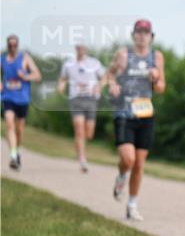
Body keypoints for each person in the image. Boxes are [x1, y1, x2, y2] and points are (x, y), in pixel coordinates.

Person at [106, 20, 166, 221]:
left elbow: (160, 88)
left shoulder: (156, 57)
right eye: (139, 32)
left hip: (145, 114)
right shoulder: (123, 54)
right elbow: (110, 74)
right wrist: (112, 85)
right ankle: (122, 177)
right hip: (124, 112)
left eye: (146, 32)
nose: (142, 36)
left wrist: (155, 78)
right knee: (128, 159)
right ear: (133, 35)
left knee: (139, 163)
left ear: (152, 36)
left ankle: (132, 205)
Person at [57, 44, 106, 172]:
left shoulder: (94, 63)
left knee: (89, 134)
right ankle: (82, 159)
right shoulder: (69, 64)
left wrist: (99, 87)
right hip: (76, 99)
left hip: (91, 99)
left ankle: (80, 147)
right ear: (76, 49)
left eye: (83, 47)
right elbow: (63, 79)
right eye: (78, 47)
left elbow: (105, 77)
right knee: (79, 129)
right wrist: (61, 86)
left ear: (86, 49)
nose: (80, 50)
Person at [1, 34, 42, 170]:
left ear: (18, 45)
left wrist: (25, 76)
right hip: (8, 97)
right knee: (9, 124)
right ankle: (13, 155)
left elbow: (37, 75)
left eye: (15, 45)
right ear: (7, 46)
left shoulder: (24, 58)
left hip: (22, 98)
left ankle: (17, 151)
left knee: (19, 129)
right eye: (10, 45)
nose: (12, 47)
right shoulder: (3, 59)